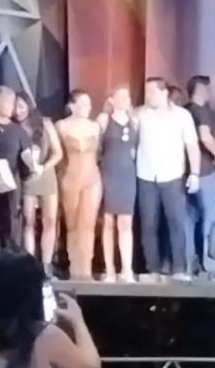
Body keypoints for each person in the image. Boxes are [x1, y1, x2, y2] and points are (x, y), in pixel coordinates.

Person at [136, 77, 201, 281]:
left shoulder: (182, 116)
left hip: (172, 176)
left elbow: (192, 145)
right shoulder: (139, 114)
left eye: (152, 91)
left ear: (164, 92)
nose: (148, 96)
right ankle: (153, 270)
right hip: (146, 175)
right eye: (146, 92)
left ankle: (179, 269)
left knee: (176, 222)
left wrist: (195, 173)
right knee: (148, 224)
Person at [14, 92, 63, 276]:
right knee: (28, 222)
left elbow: (58, 153)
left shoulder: (45, 123)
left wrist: (44, 167)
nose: (18, 111)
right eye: (15, 107)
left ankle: (46, 264)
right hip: (27, 178)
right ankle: (30, 264)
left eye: (21, 106)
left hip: (47, 176)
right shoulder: (15, 127)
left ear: (29, 105)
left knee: (50, 221)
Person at [56, 91, 102, 279]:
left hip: (92, 178)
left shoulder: (95, 126)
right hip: (71, 177)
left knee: (89, 225)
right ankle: (75, 269)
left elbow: (98, 154)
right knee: (73, 225)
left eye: (89, 104)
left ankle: (87, 270)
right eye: (83, 103)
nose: (87, 107)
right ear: (71, 106)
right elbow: (59, 156)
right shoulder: (62, 126)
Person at [184, 75, 215, 274]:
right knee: (210, 216)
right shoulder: (201, 112)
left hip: (184, 172)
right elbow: (205, 136)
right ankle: (210, 262)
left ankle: (188, 263)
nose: (210, 93)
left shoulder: (184, 111)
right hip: (203, 170)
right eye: (208, 89)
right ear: (201, 89)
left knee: (188, 219)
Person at [97, 86, 138, 283]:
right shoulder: (104, 119)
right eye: (120, 96)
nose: (125, 99)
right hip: (109, 173)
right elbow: (96, 146)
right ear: (111, 99)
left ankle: (127, 270)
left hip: (127, 175)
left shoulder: (134, 120)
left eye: (127, 96)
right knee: (108, 222)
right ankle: (110, 270)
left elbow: (134, 149)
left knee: (126, 222)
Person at [0, 86, 32, 253]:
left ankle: (10, 255)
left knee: (10, 220)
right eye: (9, 102)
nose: (13, 106)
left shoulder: (17, 130)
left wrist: (33, 165)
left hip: (10, 182)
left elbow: (26, 153)